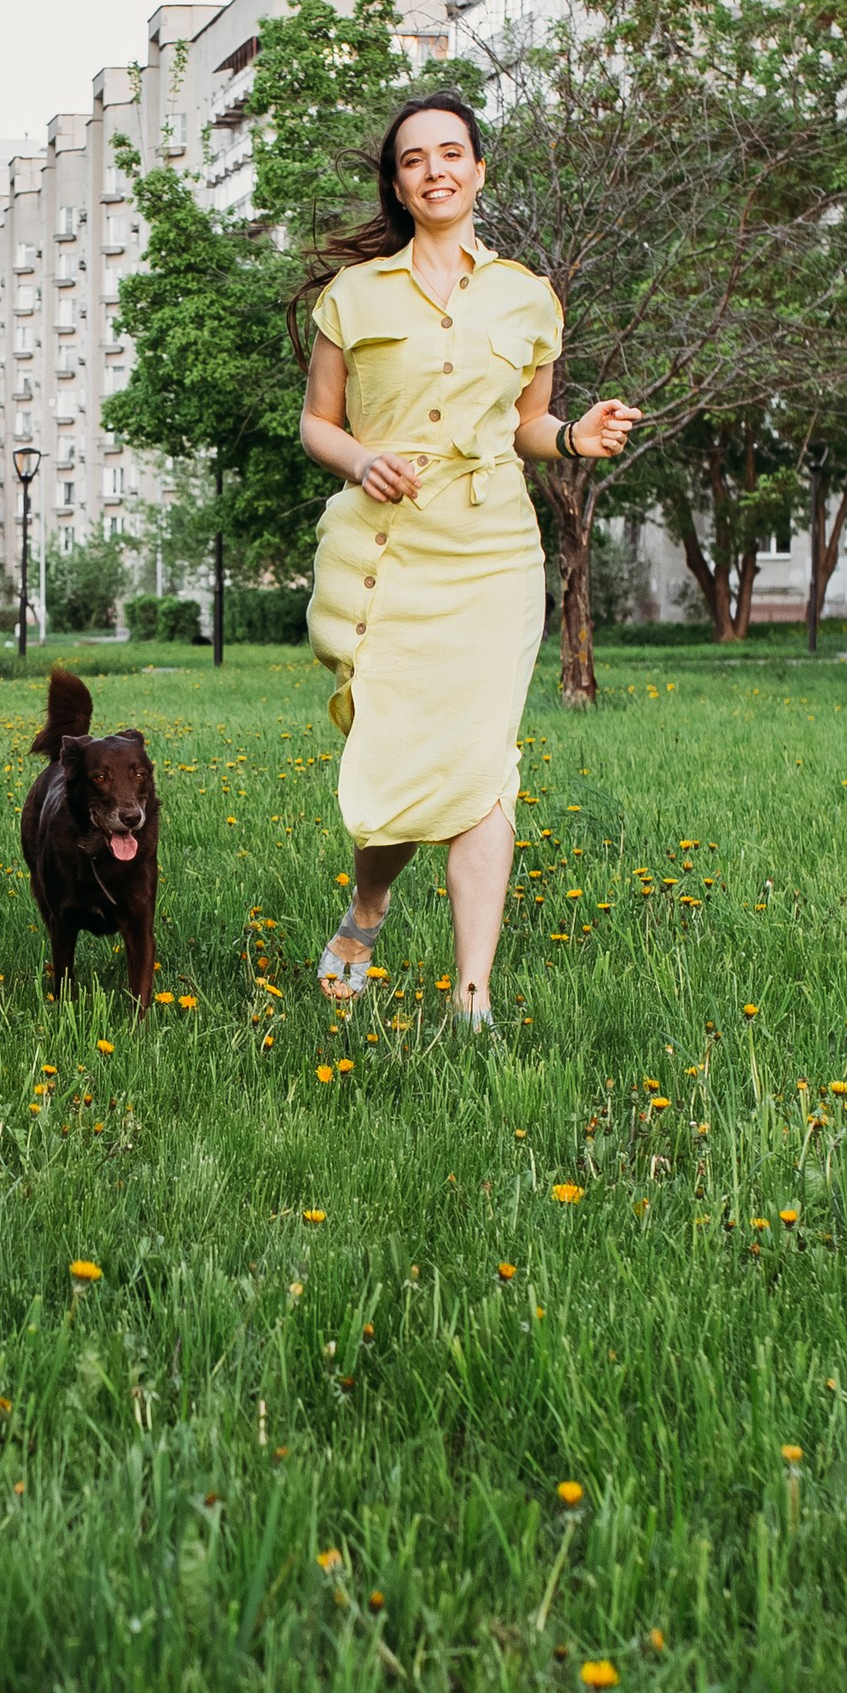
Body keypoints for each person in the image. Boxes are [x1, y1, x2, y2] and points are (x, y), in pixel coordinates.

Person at [296, 94, 639, 1033]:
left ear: (480, 170)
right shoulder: (354, 296)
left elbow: (528, 424)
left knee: (484, 764)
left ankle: (472, 998)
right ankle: (367, 911)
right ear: (399, 184)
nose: (436, 170)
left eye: (453, 153)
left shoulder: (528, 296)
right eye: (415, 160)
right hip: (392, 554)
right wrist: (362, 456)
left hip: (492, 556)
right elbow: (315, 423)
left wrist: (574, 435)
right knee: (401, 758)